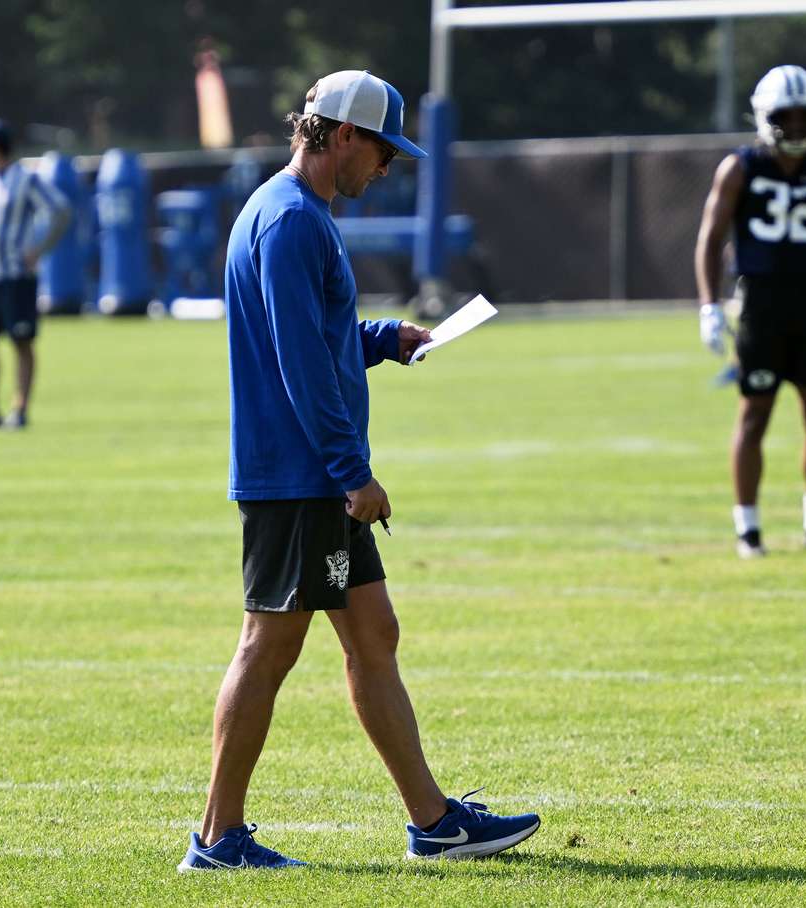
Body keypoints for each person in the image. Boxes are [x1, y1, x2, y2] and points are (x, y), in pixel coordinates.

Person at [177, 71, 541, 872]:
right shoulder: (291, 220)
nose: (388, 167)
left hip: (310, 477)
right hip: (301, 479)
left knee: (374, 635)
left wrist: (380, 337)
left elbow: (315, 325)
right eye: (382, 151)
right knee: (267, 649)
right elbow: (300, 359)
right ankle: (215, 839)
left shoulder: (297, 214)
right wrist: (352, 471)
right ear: (342, 135)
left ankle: (435, 822)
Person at [694, 65, 806, 558]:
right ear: (764, 117)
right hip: (763, 305)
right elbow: (709, 241)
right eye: (785, 117)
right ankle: (748, 529)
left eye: (804, 118)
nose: (795, 128)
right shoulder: (740, 168)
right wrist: (709, 304)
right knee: (755, 414)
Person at [0, 118, 70, 429]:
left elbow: (60, 210)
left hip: (14, 276)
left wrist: (38, 248)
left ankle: (19, 407)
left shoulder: (25, 179)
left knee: (20, 341)